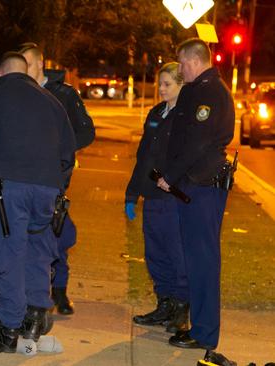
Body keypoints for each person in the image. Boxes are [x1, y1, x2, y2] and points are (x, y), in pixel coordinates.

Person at [0, 52, 76, 352]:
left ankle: (9, 326)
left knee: (3, 255)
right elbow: (68, 154)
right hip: (47, 190)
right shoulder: (52, 102)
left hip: (8, 188)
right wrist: (57, 189)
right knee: (37, 252)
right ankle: (35, 318)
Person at [156, 38, 235, 351]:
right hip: (194, 184)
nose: (180, 71)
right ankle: (200, 328)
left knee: (202, 261)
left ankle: (204, 333)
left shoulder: (211, 93)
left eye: (181, 64)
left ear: (192, 61)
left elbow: (198, 143)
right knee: (195, 259)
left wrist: (171, 176)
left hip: (204, 186)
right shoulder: (196, 90)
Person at [19, 42, 96, 315]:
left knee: (57, 233)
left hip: (54, 181)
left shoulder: (63, 94)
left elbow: (87, 131)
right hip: (22, 179)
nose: (23, 70)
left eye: (27, 63)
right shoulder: (17, 93)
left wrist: (61, 149)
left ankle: (59, 289)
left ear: (41, 63)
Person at [125, 62, 189, 333]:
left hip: (172, 197)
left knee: (177, 254)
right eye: (160, 83)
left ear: (181, 85)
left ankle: (180, 309)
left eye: (168, 84)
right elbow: (143, 157)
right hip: (151, 195)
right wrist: (131, 193)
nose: (161, 89)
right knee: (155, 254)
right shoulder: (155, 113)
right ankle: (164, 304)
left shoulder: (186, 117)